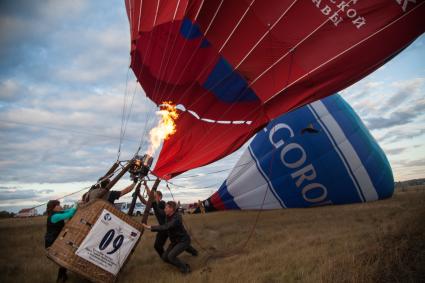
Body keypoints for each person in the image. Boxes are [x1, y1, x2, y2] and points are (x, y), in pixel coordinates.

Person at [138, 181, 198, 258]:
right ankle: (166, 257)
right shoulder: (154, 204)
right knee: (162, 245)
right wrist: (139, 194)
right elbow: (147, 202)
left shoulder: (163, 204)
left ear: (159, 197)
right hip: (163, 227)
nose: (153, 197)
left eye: (155, 196)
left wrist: (146, 186)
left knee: (165, 244)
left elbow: (151, 197)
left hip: (167, 227)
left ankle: (166, 257)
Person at [143, 201, 196, 274]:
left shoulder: (177, 217)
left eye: (166, 207)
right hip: (175, 242)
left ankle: (185, 268)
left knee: (171, 256)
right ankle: (182, 263)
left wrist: (150, 227)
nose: (164, 209)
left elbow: (167, 226)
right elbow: (162, 219)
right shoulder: (167, 216)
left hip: (183, 241)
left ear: (171, 209)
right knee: (165, 258)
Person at [45, 200, 77, 283]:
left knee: (64, 259)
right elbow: (70, 214)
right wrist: (76, 205)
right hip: (52, 242)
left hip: (56, 240)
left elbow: (68, 211)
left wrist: (75, 206)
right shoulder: (55, 216)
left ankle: (63, 278)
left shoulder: (57, 213)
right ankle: (60, 279)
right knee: (64, 260)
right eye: (58, 205)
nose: (60, 206)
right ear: (54, 207)